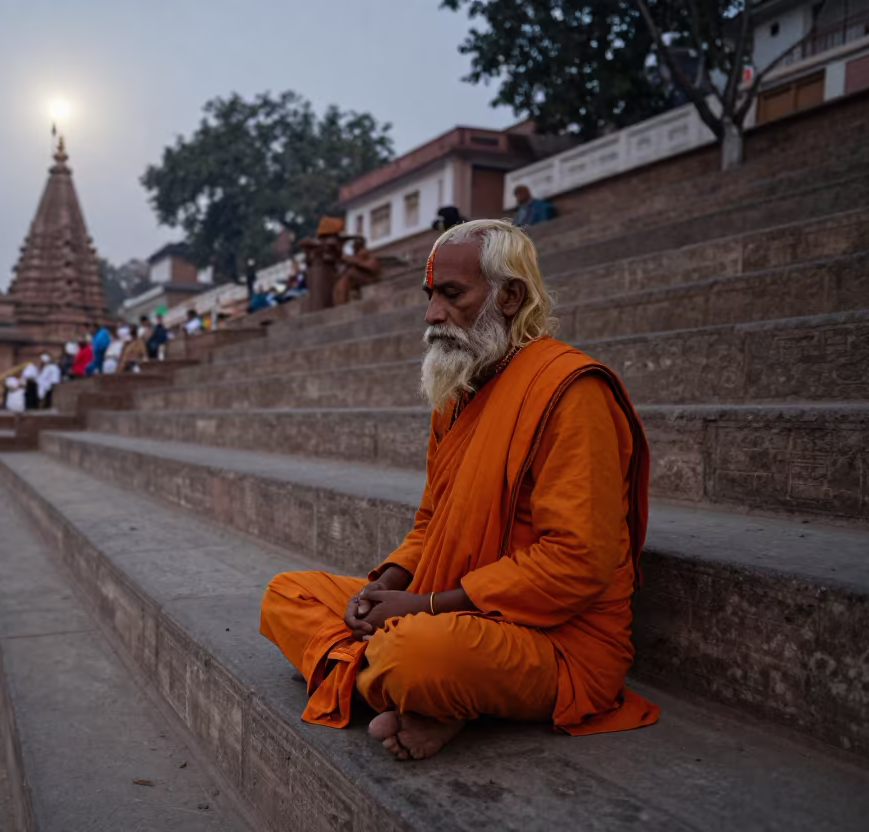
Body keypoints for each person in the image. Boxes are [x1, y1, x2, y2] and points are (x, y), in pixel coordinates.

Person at [258, 218, 655, 761]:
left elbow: (576, 560)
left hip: (554, 641)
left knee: (410, 653)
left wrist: (425, 605)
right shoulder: (457, 391)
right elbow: (431, 522)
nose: (431, 316)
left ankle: (412, 687)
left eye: (451, 295)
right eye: (430, 296)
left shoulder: (571, 392)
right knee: (286, 594)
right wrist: (384, 586)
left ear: (510, 296)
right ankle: (433, 702)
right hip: (448, 612)